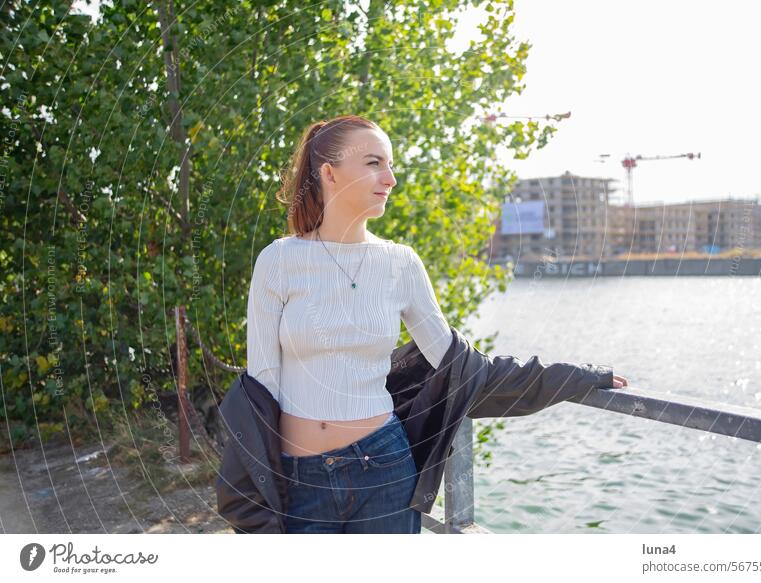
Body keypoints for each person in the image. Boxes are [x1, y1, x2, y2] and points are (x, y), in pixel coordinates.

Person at [246, 114, 628, 534]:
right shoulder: (278, 261)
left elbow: (460, 364)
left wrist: (576, 377)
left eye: (391, 165)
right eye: (374, 163)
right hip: (299, 479)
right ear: (330, 174)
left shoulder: (400, 263)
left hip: (385, 471)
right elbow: (261, 387)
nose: (390, 179)